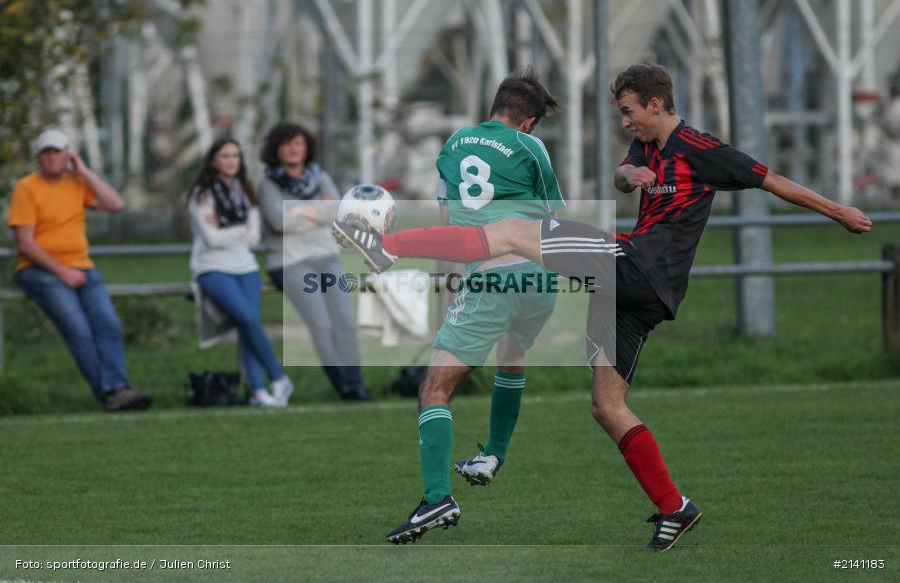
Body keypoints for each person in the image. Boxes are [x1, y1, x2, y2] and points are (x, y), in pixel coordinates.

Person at [334, 63, 873, 550]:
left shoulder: (701, 149)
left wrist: (840, 212)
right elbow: (621, 175)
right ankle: (675, 507)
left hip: (637, 267)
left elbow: (771, 180)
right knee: (606, 405)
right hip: (632, 291)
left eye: (629, 111)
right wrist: (627, 177)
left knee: (513, 232)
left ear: (655, 104)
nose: (625, 122)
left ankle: (386, 247)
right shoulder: (645, 147)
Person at [364, 67, 565, 544]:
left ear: (494, 108)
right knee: (512, 353)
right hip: (540, 278)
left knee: (434, 390)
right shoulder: (531, 147)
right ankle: (493, 454)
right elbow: (553, 216)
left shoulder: (454, 145)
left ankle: (438, 498)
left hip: (492, 276)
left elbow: (448, 221)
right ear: (529, 122)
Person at [8, 128, 152, 411]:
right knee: (79, 329)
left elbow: (115, 204)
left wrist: (85, 172)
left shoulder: (76, 183)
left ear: (68, 155)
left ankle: (118, 389)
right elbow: (26, 243)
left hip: (81, 267)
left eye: (57, 152)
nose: (51, 158)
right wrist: (62, 272)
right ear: (38, 158)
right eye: (46, 153)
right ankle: (112, 393)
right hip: (40, 270)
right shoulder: (26, 187)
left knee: (108, 324)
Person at [258, 123, 372, 401]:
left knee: (345, 322)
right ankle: (345, 387)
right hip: (290, 262)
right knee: (321, 324)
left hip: (326, 256)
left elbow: (338, 210)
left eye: (298, 143)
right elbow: (278, 221)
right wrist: (317, 211)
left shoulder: (319, 176)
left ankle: (357, 384)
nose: (293, 149)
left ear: (306, 147)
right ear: (276, 149)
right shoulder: (268, 183)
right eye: (287, 144)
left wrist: (298, 211)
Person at [189, 138, 293, 407]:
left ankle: (257, 391)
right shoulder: (202, 194)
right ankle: (279, 376)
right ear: (213, 160)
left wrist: (228, 229)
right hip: (212, 267)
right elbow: (211, 240)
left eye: (235, 155)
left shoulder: (245, 191)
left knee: (249, 326)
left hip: (246, 267)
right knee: (247, 318)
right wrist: (240, 230)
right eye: (225, 156)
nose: (231, 161)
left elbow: (254, 237)